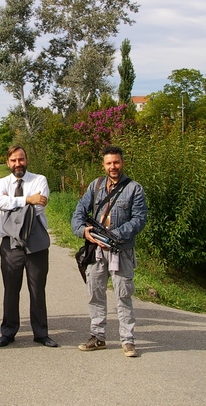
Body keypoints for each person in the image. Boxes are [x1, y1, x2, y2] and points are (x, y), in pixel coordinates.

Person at [71, 145, 147, 358]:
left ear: (122, 163)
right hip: (96, 250)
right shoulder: (95, 186)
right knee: (95, 294)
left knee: (123, 295)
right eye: (109, 163)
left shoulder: (134, 189)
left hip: (121, 251)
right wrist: (83, 231)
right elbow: (78, 211)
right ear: (103, 165)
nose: (113, 166)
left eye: (116, 162)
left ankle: (128, 340)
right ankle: (97, 337)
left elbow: (139, 220)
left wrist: (114, 236)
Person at [0, 145, 58, 348]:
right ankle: (8, 332)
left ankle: (41, 333)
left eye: (20, 159)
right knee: (11, 289)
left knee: (37, 288)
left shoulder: (39, 180)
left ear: (26, 160)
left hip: (35, 241)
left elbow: (39, 207)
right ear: (7, 163)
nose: (17, 163)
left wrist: (14, 205)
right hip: (10, 242)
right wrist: (28, 199)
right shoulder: (2, 182)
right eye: (13, 160)